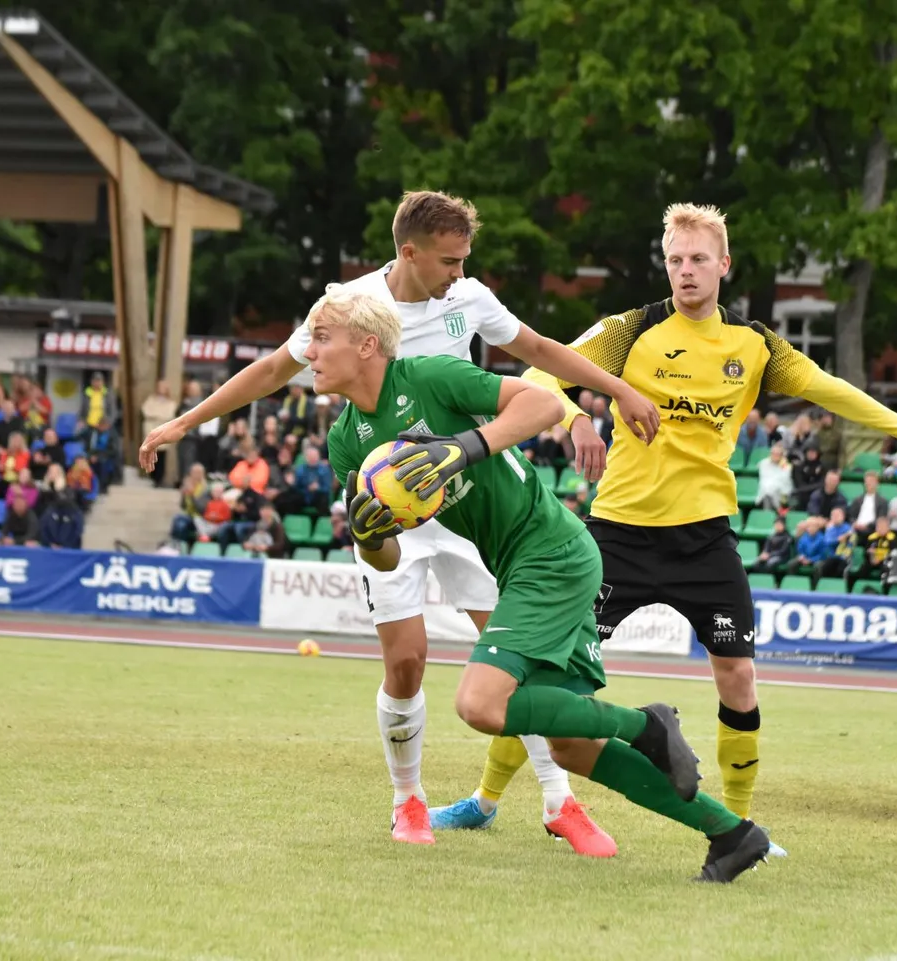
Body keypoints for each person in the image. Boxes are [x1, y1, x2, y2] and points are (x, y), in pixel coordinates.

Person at [139, 190, 662, 854]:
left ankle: (562, 801)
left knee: (515, 661)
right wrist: (186, 422)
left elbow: (537, 347)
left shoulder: (468, 299)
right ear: (409, 252)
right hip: (388, 498)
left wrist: (614, 388)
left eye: (464, 259)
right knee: (407, 661)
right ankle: (407, 800)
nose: (459, 272)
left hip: (465, 497)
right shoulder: (348, 308)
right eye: (449, 260)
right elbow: (274, 369)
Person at [463, 202, 897, 829]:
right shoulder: (630, 329)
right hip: (617, 534)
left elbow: (833, 391)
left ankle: (740, 824)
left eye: (699, 259)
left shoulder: (754, 346)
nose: (686, 272)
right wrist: (578, 419)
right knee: (546, 673)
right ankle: (485, 802)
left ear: (723, 265)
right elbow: (540, 375)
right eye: (675, 261)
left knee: (738, 678)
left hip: (704, 540)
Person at [306, 284, 775, 882]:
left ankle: (646, 724)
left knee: (478, 703)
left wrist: (462, 448)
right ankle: (732, 834)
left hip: (550, 553)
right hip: (529, 563)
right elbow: (383, 558)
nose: (309, 351)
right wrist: (370, 534)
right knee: (572, 746)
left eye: (321, 338)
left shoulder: (429, 376)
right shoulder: (347, 440)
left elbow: (544, 406)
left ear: (367, 345)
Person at [847, 470, 888, 534]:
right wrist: (854, 523)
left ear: (877, 483)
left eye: (871, 481)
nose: (868, 483)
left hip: (872, 530)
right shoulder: (857, 500)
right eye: (866, 481)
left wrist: (867, 526)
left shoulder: (882, 501)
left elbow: (881, 519)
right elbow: (851, 517)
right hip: (856, 529)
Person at [755, 443, 794, 511]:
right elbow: (764, 479)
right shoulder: (764, 463)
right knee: (767, 493)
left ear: (782, 455)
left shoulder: (786, 465)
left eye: (778, 454)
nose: (775, 456)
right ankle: (767, 515)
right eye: (774, 454)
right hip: (766, 492)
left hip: (782, 493)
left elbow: (785, 481)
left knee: (771, 491)